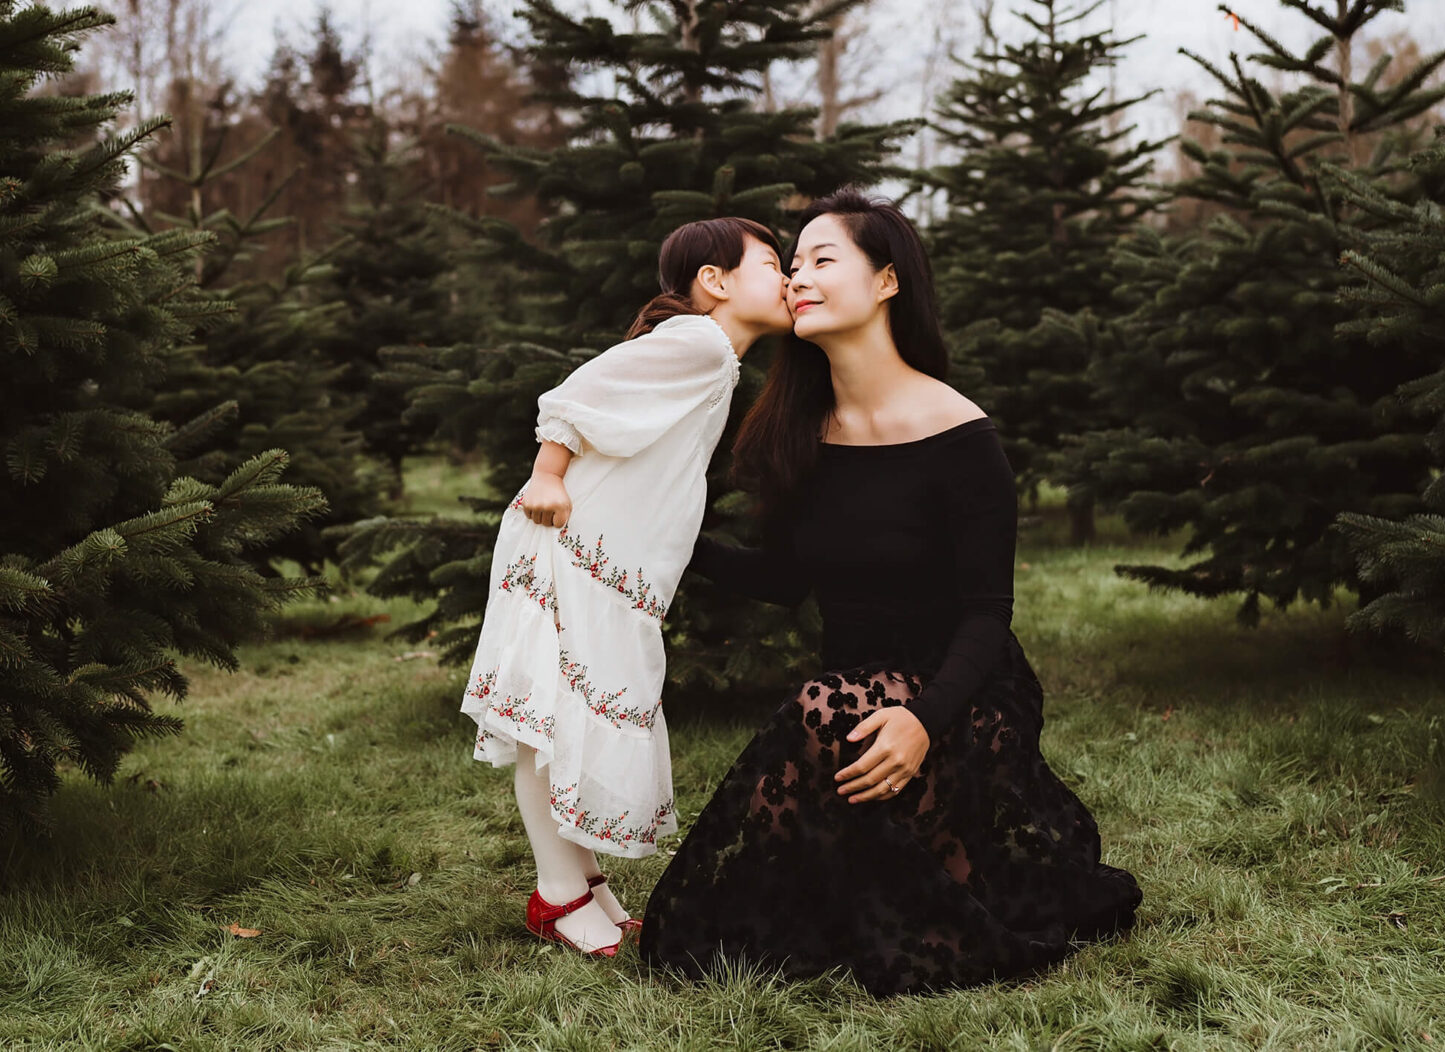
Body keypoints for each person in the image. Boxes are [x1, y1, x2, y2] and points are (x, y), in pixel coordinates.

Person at [639, 188, 1142, 994]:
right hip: (852, 691)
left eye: (822, 259)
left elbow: (988, 614)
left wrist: (921, 720)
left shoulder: (961, 435)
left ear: (886, 281)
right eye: (792, 265)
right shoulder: (796, 427)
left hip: (963, 693)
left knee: (825, 716)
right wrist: (663, 537)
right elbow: (781, 580)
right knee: (712, 921)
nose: (799, 277)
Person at [462, 216, 791, 958]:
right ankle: (555, 895)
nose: (790, 278)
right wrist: (547, 473)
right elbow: (577, 394)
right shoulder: (700, 341)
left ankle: (585, 883)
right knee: (550, 728)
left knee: (572, 719)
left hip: (608, 563)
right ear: (716, 281)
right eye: (774, 264)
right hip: (571, 547)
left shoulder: (716, 358)